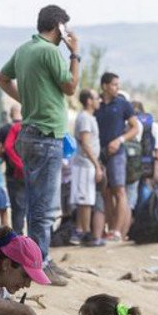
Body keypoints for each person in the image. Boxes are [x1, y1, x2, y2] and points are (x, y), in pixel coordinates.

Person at [0, 4, 80, 286]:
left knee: (34, 203)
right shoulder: (49, 51)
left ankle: (37, 259)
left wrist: (27, 101)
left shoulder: (24, 50)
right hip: (47, 136)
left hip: (29, 135)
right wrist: (75, 53)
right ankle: (40, 262)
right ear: (59, 27)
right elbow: (71, 87)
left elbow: (2, 79)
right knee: (43, 207)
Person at [94, 72, 139, 242]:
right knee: (106, 192)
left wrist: (120, 140)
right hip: (99, 154)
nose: (117, 88)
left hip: (118, 153)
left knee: (120, 191)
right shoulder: (96, 104)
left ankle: (118, 231)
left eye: (118, 85)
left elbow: (135, 128)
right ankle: (109, 229)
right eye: (114, 85)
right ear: (105, 86)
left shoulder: (123, 104)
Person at [69, 89, 103, 246]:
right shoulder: (84, 118)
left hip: (88, 164)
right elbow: (85, 143)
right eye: (97, 98)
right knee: (85, 200)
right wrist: (97, 165)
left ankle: (82, 231)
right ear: (89, 100)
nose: (99, 100)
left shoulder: (90, 118)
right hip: (85, 164)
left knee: (87, 200)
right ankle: (84, 232)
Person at [0, 107, 26, 234]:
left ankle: (18, 239)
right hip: (33, 173)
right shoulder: (31, 126)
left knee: (17, 209)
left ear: (10, 114)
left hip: (14, 174)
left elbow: (1, 149)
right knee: (34, 208)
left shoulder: (6, 129)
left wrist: (17, 164)